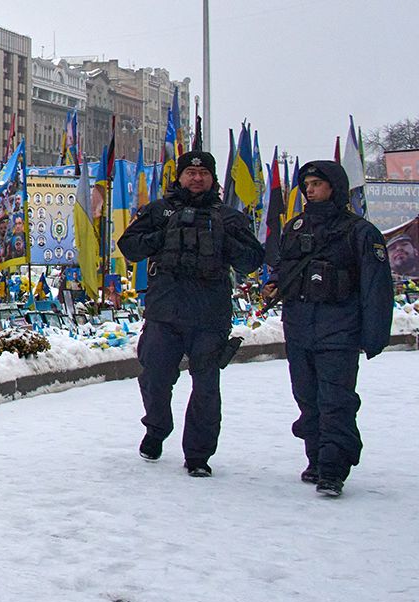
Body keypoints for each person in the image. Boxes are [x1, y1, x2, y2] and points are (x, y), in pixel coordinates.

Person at [116, 151, 263, 477]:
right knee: (154, 377)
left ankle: (198, 454)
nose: (197, 178)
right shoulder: (159, 211)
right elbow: (129, 247)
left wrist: (222, 239)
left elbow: (253, 260)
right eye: (191, 173)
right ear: (180, 177)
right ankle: (156, 428)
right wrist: (166, 234)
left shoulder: (227, 217)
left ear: (212, 179)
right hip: (165, 312)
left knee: (206, 387)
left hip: (209, 315)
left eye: (203, 173)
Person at [262, 160, 394, 497]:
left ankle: (334, 469)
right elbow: (284, 266)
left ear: (334, 187)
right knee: (307, 398)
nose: (310, 190)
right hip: (299, 328)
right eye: (307, 184)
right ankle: (317, 459)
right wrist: (274, 283)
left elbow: (376, 287)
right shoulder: (295, 227)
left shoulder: (360, 232)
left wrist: (374, 335)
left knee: (336, 400)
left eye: (317, 184)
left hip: (339, 330)